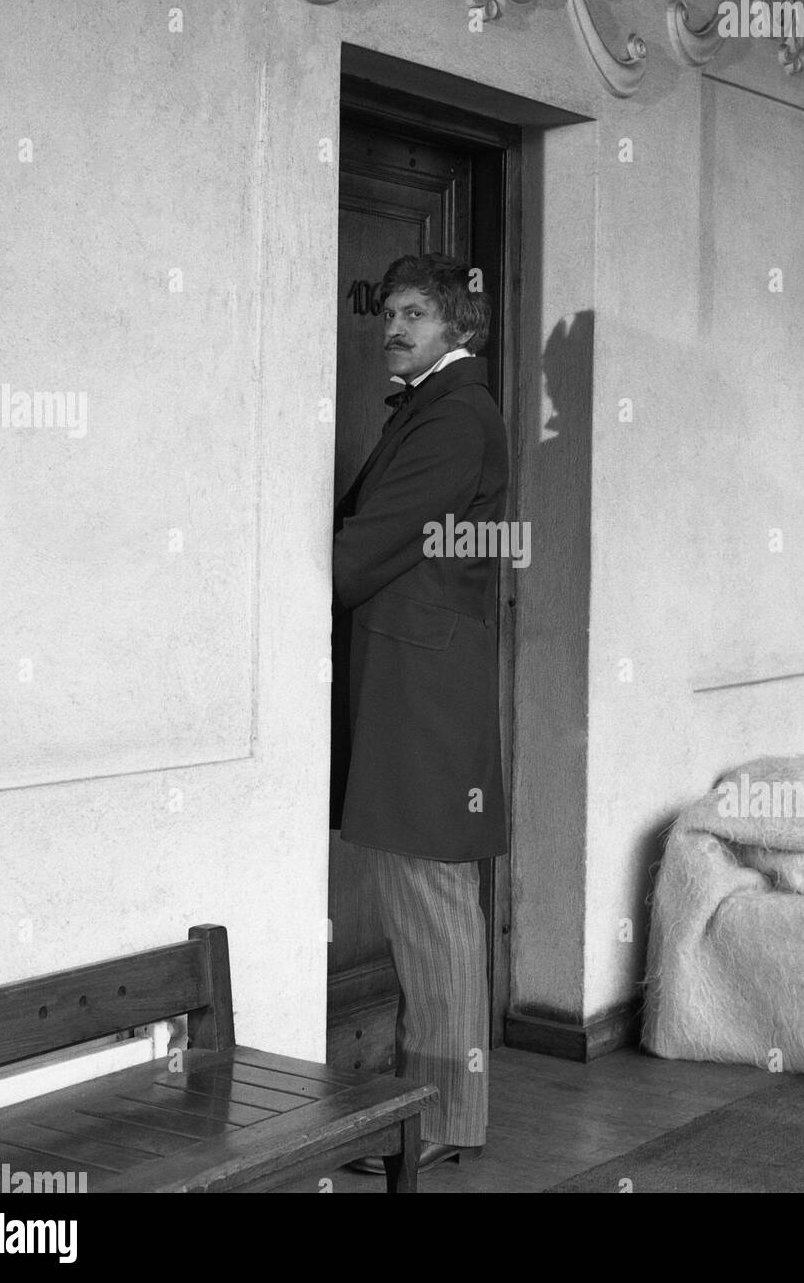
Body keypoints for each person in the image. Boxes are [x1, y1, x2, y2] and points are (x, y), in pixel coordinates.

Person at [332, 252, 509, 1173]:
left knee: (433, 906)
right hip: (420, 689)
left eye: (414, 314)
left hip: (423, 700)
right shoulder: (440, 409)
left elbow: (371, 545)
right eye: (388, 313)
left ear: (456, 327)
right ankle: (439, 1107)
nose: (393, 328)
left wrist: (294, 576)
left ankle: (441, 1114)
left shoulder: (454, 416)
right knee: (428, 906)